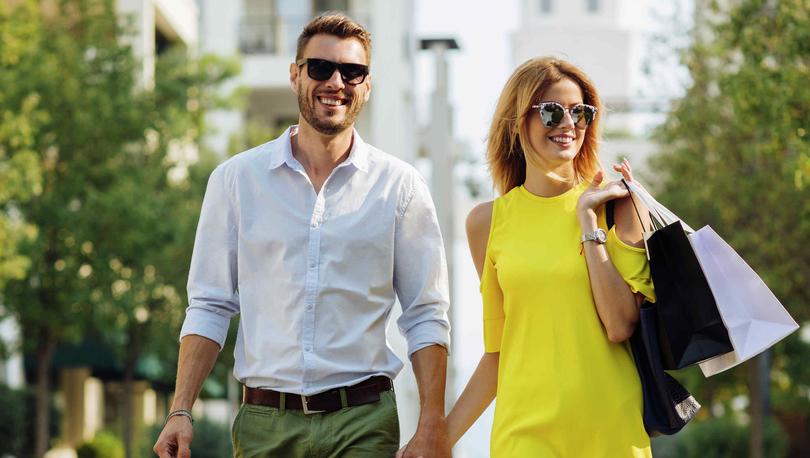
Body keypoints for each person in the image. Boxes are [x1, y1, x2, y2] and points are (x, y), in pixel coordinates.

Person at [153, 13, 452, 458]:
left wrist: (431, 425)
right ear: (295, 76)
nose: (336, 82)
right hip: (264, 423)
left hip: (363, 418)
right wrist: (180, 410)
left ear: (366, 86)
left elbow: (426, 314)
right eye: (320, 68)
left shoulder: (400, 187)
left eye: (352, 72)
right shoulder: (236, 180)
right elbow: (210, 304)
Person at [445, 57, 655, 457]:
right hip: (523, 436)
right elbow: (499, 352)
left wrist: (588, 223)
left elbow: (619, 324)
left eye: (580, 112)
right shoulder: (486, 223)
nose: (568, 124)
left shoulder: (618, 204)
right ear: (517, 122)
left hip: (608, 434)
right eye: (552, 112)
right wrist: (438, 437)